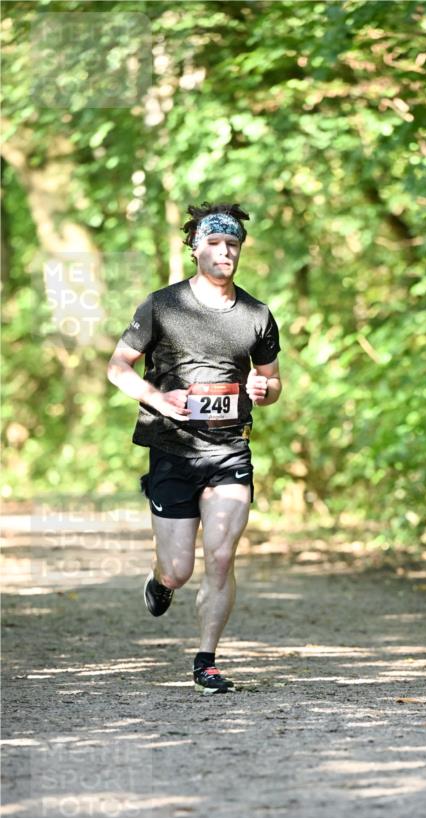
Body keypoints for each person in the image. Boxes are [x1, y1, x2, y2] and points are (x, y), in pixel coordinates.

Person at [107, 200, 282, 695]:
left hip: (230, 452)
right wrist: (156, 397)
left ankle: (206, 660)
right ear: (195, 249)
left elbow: (273, 383)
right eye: (214, 243)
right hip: (172, 449)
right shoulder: (161, 306)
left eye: (233, 244)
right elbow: (117, 367)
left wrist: (263, 392)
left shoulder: (256, 314)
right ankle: (161, 581)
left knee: (222, 557)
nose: (225, 252)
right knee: (180, 568)